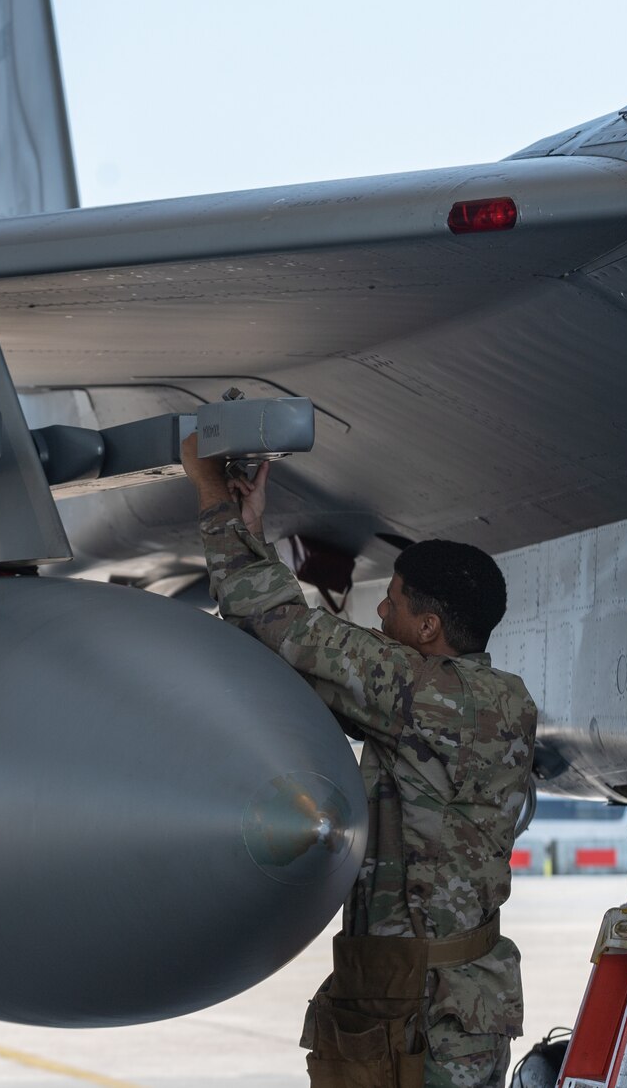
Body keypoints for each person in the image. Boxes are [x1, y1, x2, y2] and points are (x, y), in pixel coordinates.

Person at [181, 435, 539, 1088]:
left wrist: (212, 496)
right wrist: (254, 535)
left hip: (422, 1014)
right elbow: (290, 659)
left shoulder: (422, 694)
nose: (381, 608)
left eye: (395, 600)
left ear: (428, 628)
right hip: (439, 1002)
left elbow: (280, 622)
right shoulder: (480, 702)